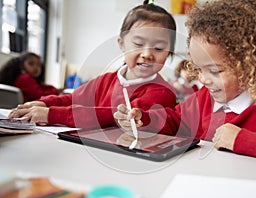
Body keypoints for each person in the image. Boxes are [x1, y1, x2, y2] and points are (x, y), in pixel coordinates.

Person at [114, 0, 256, 168]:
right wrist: (144, 120)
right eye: (199, 69)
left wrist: (242, 140)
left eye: (215, 71)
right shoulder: (205, 98)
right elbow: (176, 121)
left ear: (253, 65)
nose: (203, 79)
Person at [9, 0, 177, 129]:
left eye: (159, 48)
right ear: (122, 44)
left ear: (169, 51)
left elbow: (114, 115)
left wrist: (51, 114)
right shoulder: (106, 80)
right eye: (139, 44)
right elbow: (74, 98)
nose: (147, 54)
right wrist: (46, 103)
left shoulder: (163, 92)